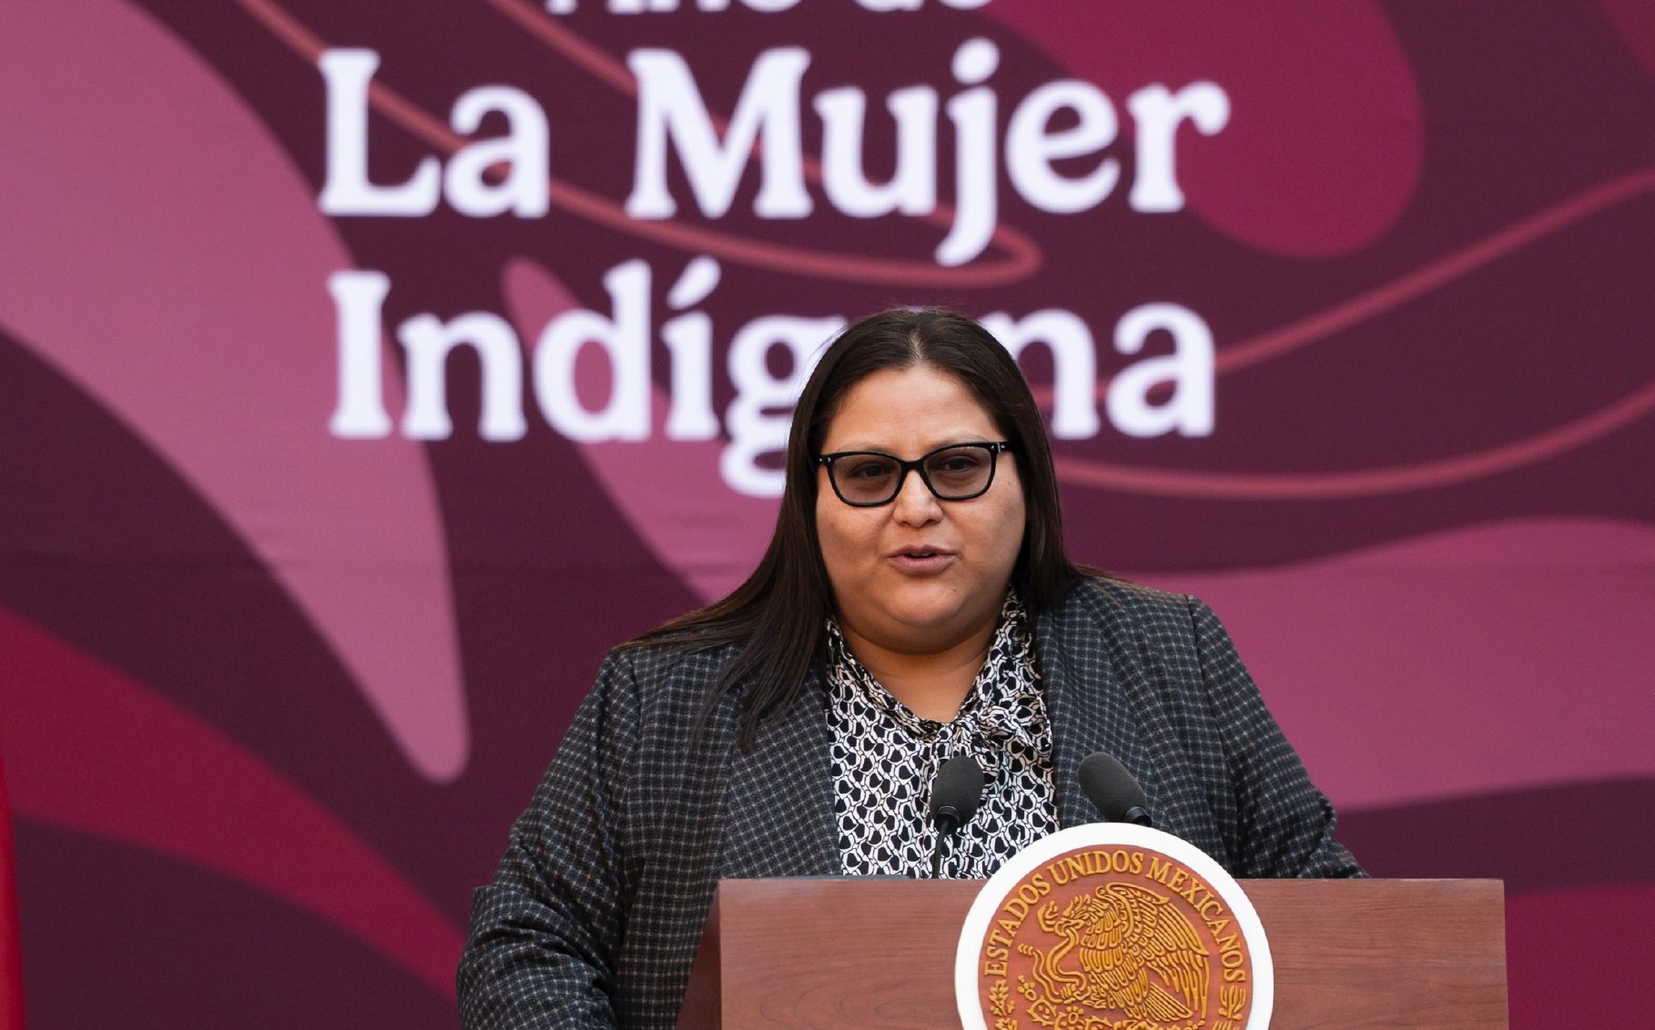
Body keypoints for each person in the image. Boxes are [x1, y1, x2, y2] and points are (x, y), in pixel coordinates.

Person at [458, 307, 1362, 1029]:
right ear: (811, 496)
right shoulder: (666, 700)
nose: (917, 507)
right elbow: (523, 949)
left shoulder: (1169, 654)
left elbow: (1333, 923)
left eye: (958, 466)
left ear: (1027, 480)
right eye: (868, 474)